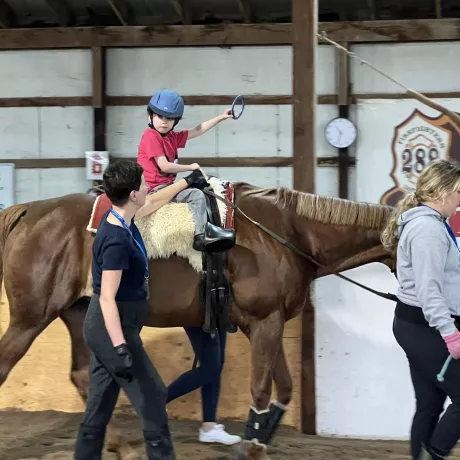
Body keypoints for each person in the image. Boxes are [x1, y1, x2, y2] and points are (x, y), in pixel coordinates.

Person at [74, 159, 209, 460]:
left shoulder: (123, 217)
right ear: (133, 194)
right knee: (153, 398)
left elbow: (153, 203)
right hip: (113, 328)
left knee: (98, 408)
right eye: (143, 185)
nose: (149, 187)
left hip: (116, 326)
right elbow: (106, 298)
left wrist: (187, 183)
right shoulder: (116, 241)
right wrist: (120, 345)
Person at [381, 159, 460, 460]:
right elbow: (429, 291)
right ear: (443, 193)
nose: (459, 199)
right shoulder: (428, 230)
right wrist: (451, 334)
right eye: (458, 192)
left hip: (417, 325)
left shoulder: (432, 224)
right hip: (426, 328)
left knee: (429, 404)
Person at [137, 88, 236, 253]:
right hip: (155, 189)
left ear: (175, 121)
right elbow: (164, 166)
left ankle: (210, 228)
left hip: (167, 186)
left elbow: (197, 130)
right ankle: (200, 236)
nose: (163, 121)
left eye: (169, 118)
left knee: (204, 188)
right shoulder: (150, 136)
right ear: (151, 115)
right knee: (196, 195)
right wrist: (190, 167)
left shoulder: (172, 137)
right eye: (159, 116)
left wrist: (221, 117)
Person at [166, 326, 241, 445]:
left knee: (216, 367)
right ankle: (159, 400)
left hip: (218, 312)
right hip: (204, 312)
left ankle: (209, 427)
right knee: (210, 368)